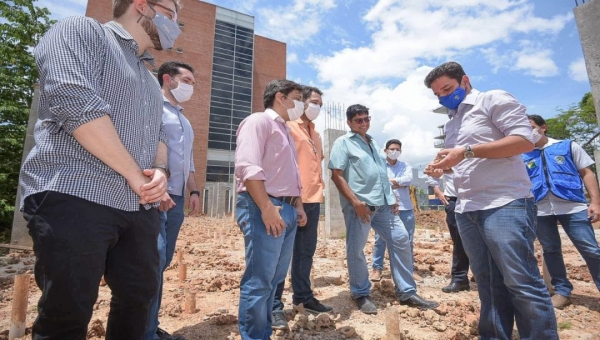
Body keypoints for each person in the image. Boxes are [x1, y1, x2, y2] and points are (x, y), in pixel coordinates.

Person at [18, 0, 183, 338]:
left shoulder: (151, 80)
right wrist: (135, 175)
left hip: (137, 205)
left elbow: (158, 138)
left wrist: (161, 170)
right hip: (75, 192)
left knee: (138, 297)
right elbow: (75, 102)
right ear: (142, 5)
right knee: (67, 310)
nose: (176, 23)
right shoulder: (80, 31)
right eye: (171, 12)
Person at [424, 61, 558, 339]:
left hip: (504, 204)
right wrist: (443, 167)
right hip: (467, 208)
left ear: (465, 81)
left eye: (447, 89)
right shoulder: (452, 121)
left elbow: (524, 141)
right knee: (488, 284)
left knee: (522, 282)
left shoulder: (492, 99)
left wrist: (467, 151)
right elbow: (464, 161)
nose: (443, 97)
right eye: (437, 94)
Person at [329, 104, 439, 314]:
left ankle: (407, 292)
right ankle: (361, 293)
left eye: (366, 118)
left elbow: (381, 173)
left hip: (384, 206)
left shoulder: (373, 143)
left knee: (400, 239)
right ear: (349, 122)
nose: (364, 123)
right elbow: (337, 175)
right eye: (358, 120)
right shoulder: (343, 143)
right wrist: (355, 203)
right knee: (356, 249)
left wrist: (391, 198)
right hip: (361, 207)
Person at [234, 79, 308, 340]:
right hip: (264, 206)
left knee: (274, 279)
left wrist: (297, 205)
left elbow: (290, 173)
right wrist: (266, 207)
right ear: (281, 97)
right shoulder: (258, 122)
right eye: (298, 97)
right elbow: (248, 167)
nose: (302, 104)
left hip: (285, 208)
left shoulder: (285, 131)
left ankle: (262, 331)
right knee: (260, 279)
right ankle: (254, 335)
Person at [145, 61, 200, 340]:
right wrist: (160, 184)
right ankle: (143, 331)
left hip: (177, 197)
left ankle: (150, 327)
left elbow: (188, 161)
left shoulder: (184, 119)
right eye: (187, 80)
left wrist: (194, 191)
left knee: (161, 262)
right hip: (153, 196)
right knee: (151, 261)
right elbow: (147, 146)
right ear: (168, 79)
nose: (191, 86)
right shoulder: (151, 105)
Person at [523, 114, 600, 309]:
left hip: (572, 206)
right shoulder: (522, 154)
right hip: (540, 209)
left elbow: (587, 173)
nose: (528, 131)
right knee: (550, 250)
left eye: (531, 126)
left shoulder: (567, 146)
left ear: (543, 127)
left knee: (590, 249)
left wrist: (595, 202)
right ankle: (562, 291)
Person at [271, 86, 331, 329]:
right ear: (303, 102)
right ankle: (274, 305)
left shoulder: (314, 133)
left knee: (305, 252)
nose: (317, 107)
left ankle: (303, 297)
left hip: (313, 199)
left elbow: (317, 162)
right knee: (280, 255)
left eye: (320, 104)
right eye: (314, 102)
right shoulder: (288, 127)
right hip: (289, 199)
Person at [370, 139, 417, 282]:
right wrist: (397, 182)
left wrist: (390, 181)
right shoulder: (379, 165)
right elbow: (379, 180)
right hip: (386, 208)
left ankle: (409, 269)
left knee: (407, 240)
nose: (394, 151)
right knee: (380, 240)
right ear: (385, 151)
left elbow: (409, 179)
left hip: (405, 207)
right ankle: (377, 268)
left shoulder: (405, 165)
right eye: (391, 149)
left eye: (397, 149)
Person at [427, 174, 470, 293]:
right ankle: (460, 279)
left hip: (477, 199)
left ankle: (484, 276)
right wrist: (438, 192)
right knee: (459, 241)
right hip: (454, 201)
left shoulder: (476, 155)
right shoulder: (446, 156)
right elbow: (432, 175)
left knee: (483, 240)